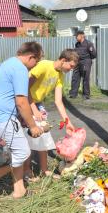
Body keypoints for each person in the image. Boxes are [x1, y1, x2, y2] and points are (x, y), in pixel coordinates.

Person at [0, 42, 44, 202]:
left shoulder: (8, 63)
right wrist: (32, 125)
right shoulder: (20, 69)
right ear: (31, 57)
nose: (35, 66)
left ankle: (19, 191)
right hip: (1, 117)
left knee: (16, 150)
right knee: (22, 153)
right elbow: (21, 102)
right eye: (36, 62)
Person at [24, 49, 79, 180]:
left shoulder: (60, 75)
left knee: (44, 134)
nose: (71, 69)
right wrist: (34, 109)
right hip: (26, 102)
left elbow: (58, 101)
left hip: (37, 103)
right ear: (63, 60)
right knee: (30, 137)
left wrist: (68, 122)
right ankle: (26, 170)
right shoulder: (44, 65)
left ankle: (44, 170)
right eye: (71, 66)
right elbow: (24, 87)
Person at [69, 31, 97, 99]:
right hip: (77, 62)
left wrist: (87, 60)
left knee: (85, 78)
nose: (76, 37)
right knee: (75, 77)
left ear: (82, 35)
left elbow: (94, 55)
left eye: (77, 36)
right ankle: (73, 94)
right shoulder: (77, 44)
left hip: (86, 62)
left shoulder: (88, 44)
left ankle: (86, 95)